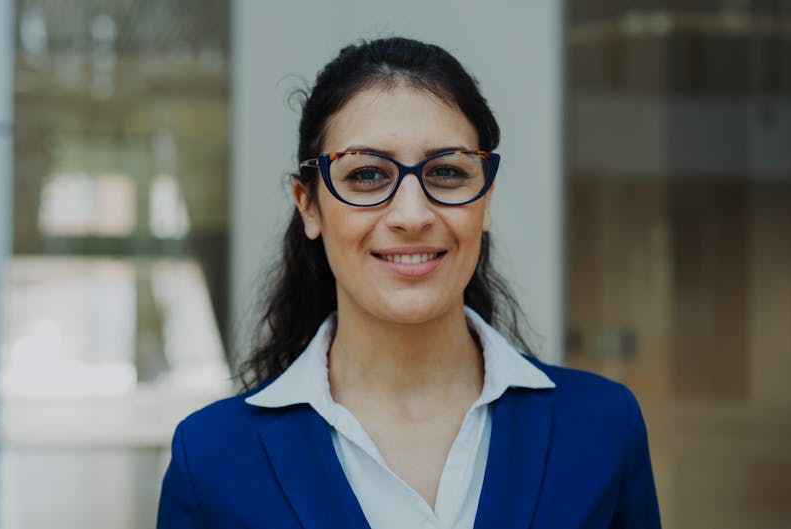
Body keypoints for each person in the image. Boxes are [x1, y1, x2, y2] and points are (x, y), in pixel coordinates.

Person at [157, 37, 661, 529]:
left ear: (485, 200)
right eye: (367, 175)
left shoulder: (602, 428)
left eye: (446, 171)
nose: (412, 214)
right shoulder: (211, 460)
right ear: (308, 205)